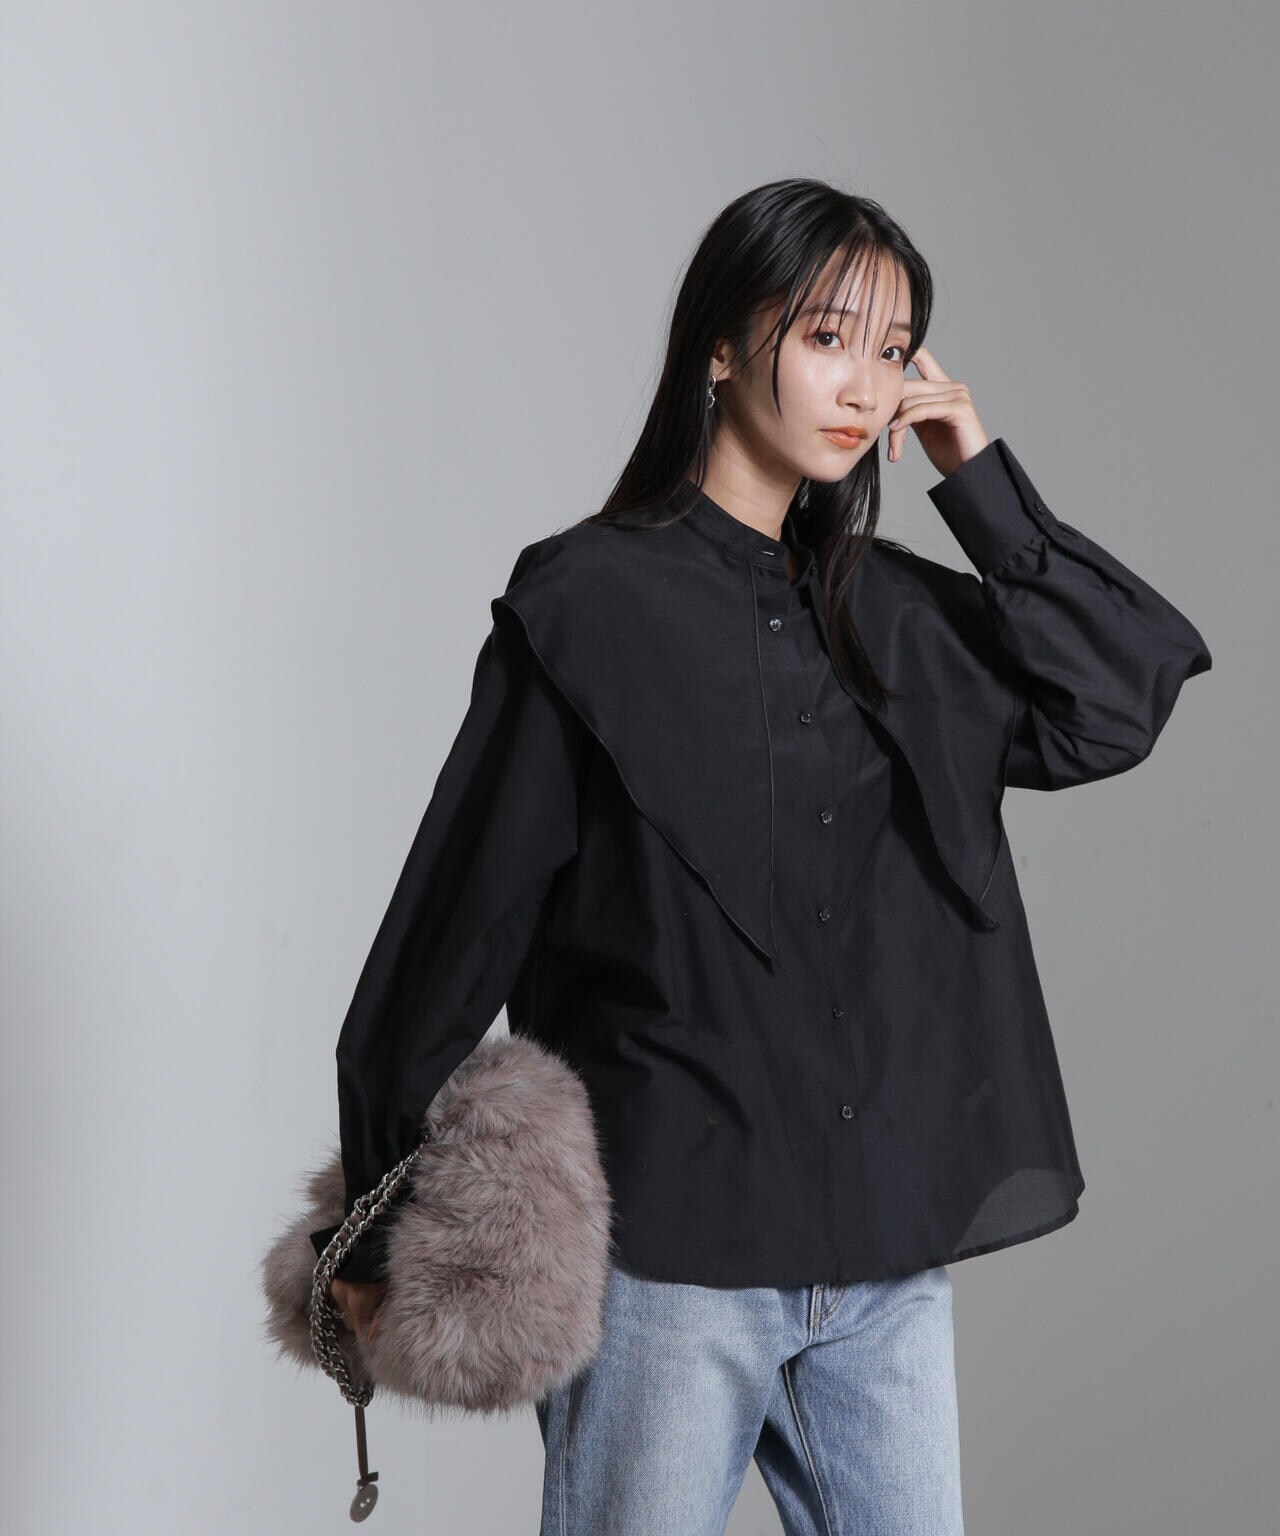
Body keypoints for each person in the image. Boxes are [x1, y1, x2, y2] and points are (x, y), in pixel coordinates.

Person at [313, 176, 1212, 1533]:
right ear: (725, 346)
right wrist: (375, 1229)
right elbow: (454, 929)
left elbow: (1116, 695)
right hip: (671, 1262)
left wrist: (978, 478)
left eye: (893, 350)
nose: (865, 385)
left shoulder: (894, 616)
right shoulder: (590, 605)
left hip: (883, 1261)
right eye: (828, 336)